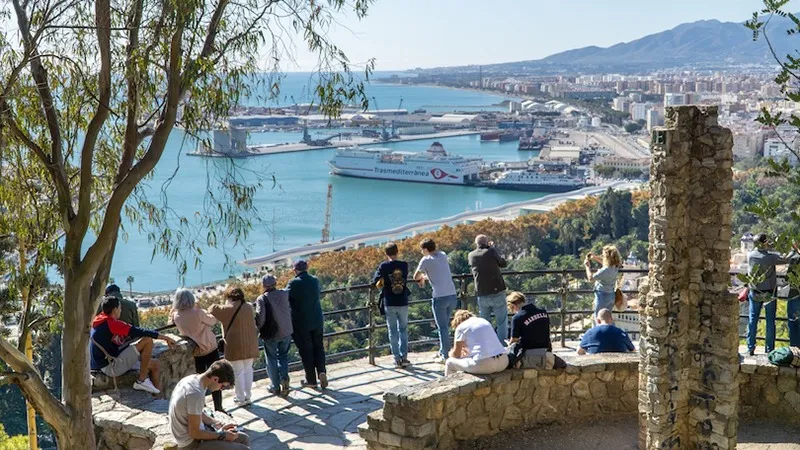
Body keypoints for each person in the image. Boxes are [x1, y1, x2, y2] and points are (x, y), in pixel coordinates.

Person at [90, 296, 176, 394]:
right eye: (119, 308)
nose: (120, 310)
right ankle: (141, 381)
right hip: (111, 366)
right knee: (147, 340)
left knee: (155, 365)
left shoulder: (99, 320)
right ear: (115, 310)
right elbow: (139, 331)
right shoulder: (111, 324)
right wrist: (166, 338)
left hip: (102, 364)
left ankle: (157, 397)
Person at [168, 359, 251, 450]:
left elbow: (196, 412)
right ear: (215, 379)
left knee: (243, 438)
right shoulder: (196, 394)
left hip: (192, 435)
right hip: (190, 444)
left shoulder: (193, 380)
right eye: (222, 386)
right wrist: (222, 435)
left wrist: (216, 423)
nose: (220, 389)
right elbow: (194, 433)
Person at [171, 289, 224, 412]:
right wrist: (203, 310)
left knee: (200, 382)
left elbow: (171, 320)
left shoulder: (176, 316)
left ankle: (201, 408)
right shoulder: (198, 313)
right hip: (210, 348)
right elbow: (212, 321)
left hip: (196, 352)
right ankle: (218, 407)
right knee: (216, 378)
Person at [209, 287, 258, 406]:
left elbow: (212, 308)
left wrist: (225, 303)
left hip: (235, 346)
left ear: (229, 297)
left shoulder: (228, 308)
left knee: (238, 372)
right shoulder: (248, 307)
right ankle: (248, 396)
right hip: (250, 344)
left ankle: (241, 398)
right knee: (248, 370)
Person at [413, 238, 458, 364]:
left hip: (440, 297)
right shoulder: (443, 255)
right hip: (452, 295)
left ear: (426, 249)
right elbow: (439, 273)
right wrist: (426, 277)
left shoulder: (426, 260)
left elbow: (415, 276)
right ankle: (443, 350)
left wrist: (421, 278)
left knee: (442, 327)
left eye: (422, 249)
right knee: (446, 326)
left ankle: (445, 356)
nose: (421, 252)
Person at [287, 259, 328, 389]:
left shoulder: (293, 283)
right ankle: (321, 371)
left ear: (295, 270)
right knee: (319, 347)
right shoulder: (315, 280)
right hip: (317, 320)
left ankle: (311, 380)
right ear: (307, 268)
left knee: (306, 351)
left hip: (301, 323)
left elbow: (285, 297)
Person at [746, 233, 789, 355]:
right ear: (764, 243)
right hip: (769, 293)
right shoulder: (771, 258)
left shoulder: (750, 255)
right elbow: (786, 259)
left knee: (752, 319)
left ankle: (750, 347)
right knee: (770, 321)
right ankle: (769, 349)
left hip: (755, 292)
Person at [255, 275, 293, 396]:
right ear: (275, 283)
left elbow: (261, 318)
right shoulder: (284, 293)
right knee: (283, 356)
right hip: (287, 330)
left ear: (264, 286)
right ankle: (285, 378)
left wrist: (257, 329)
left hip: (272, 333)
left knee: (271, 358)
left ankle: (275, 386)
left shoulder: (262, 299)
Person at [374, 242, 410, 368]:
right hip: (403, 301)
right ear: (397, 251)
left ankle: (397, 358)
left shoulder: (383, 266)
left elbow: (375, 280)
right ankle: (404, 356)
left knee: (392, 331)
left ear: (386, 253)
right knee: (403, 329)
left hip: (389, 302)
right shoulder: (404, 265)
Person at [468, 235, 508, 342]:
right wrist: (492, 248)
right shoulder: (491, 251)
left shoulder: (471, 255)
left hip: (482, 293)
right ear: (487, 243)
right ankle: (502, 345)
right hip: (497, 291)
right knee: (501, 321)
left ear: (476, 244)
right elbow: (503, 263)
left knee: (485, 323)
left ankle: (488, 345)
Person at [444, 309, 508, 377]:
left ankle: (446, 386)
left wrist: (450, 353)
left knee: (449, 362)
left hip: (485, 364)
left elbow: (456, 354)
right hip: (503, 361)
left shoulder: (461, 327)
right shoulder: (483, 321)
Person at [584, 245, 623, 327]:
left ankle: (597, 337)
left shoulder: (605, 271)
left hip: (602, 295)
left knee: (598, 317)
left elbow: (591, 278)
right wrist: (594, 257)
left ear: (607, 257)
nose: (602, 257)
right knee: (608, 318)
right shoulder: (615, 267)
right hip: (611, 295)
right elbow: (605, 263)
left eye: (603, 255)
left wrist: (587, 267)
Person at [786, 242, 800, 347]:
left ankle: (795, 348)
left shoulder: (794, 259)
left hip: (794, 294)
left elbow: (787, 278)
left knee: (793, 321)